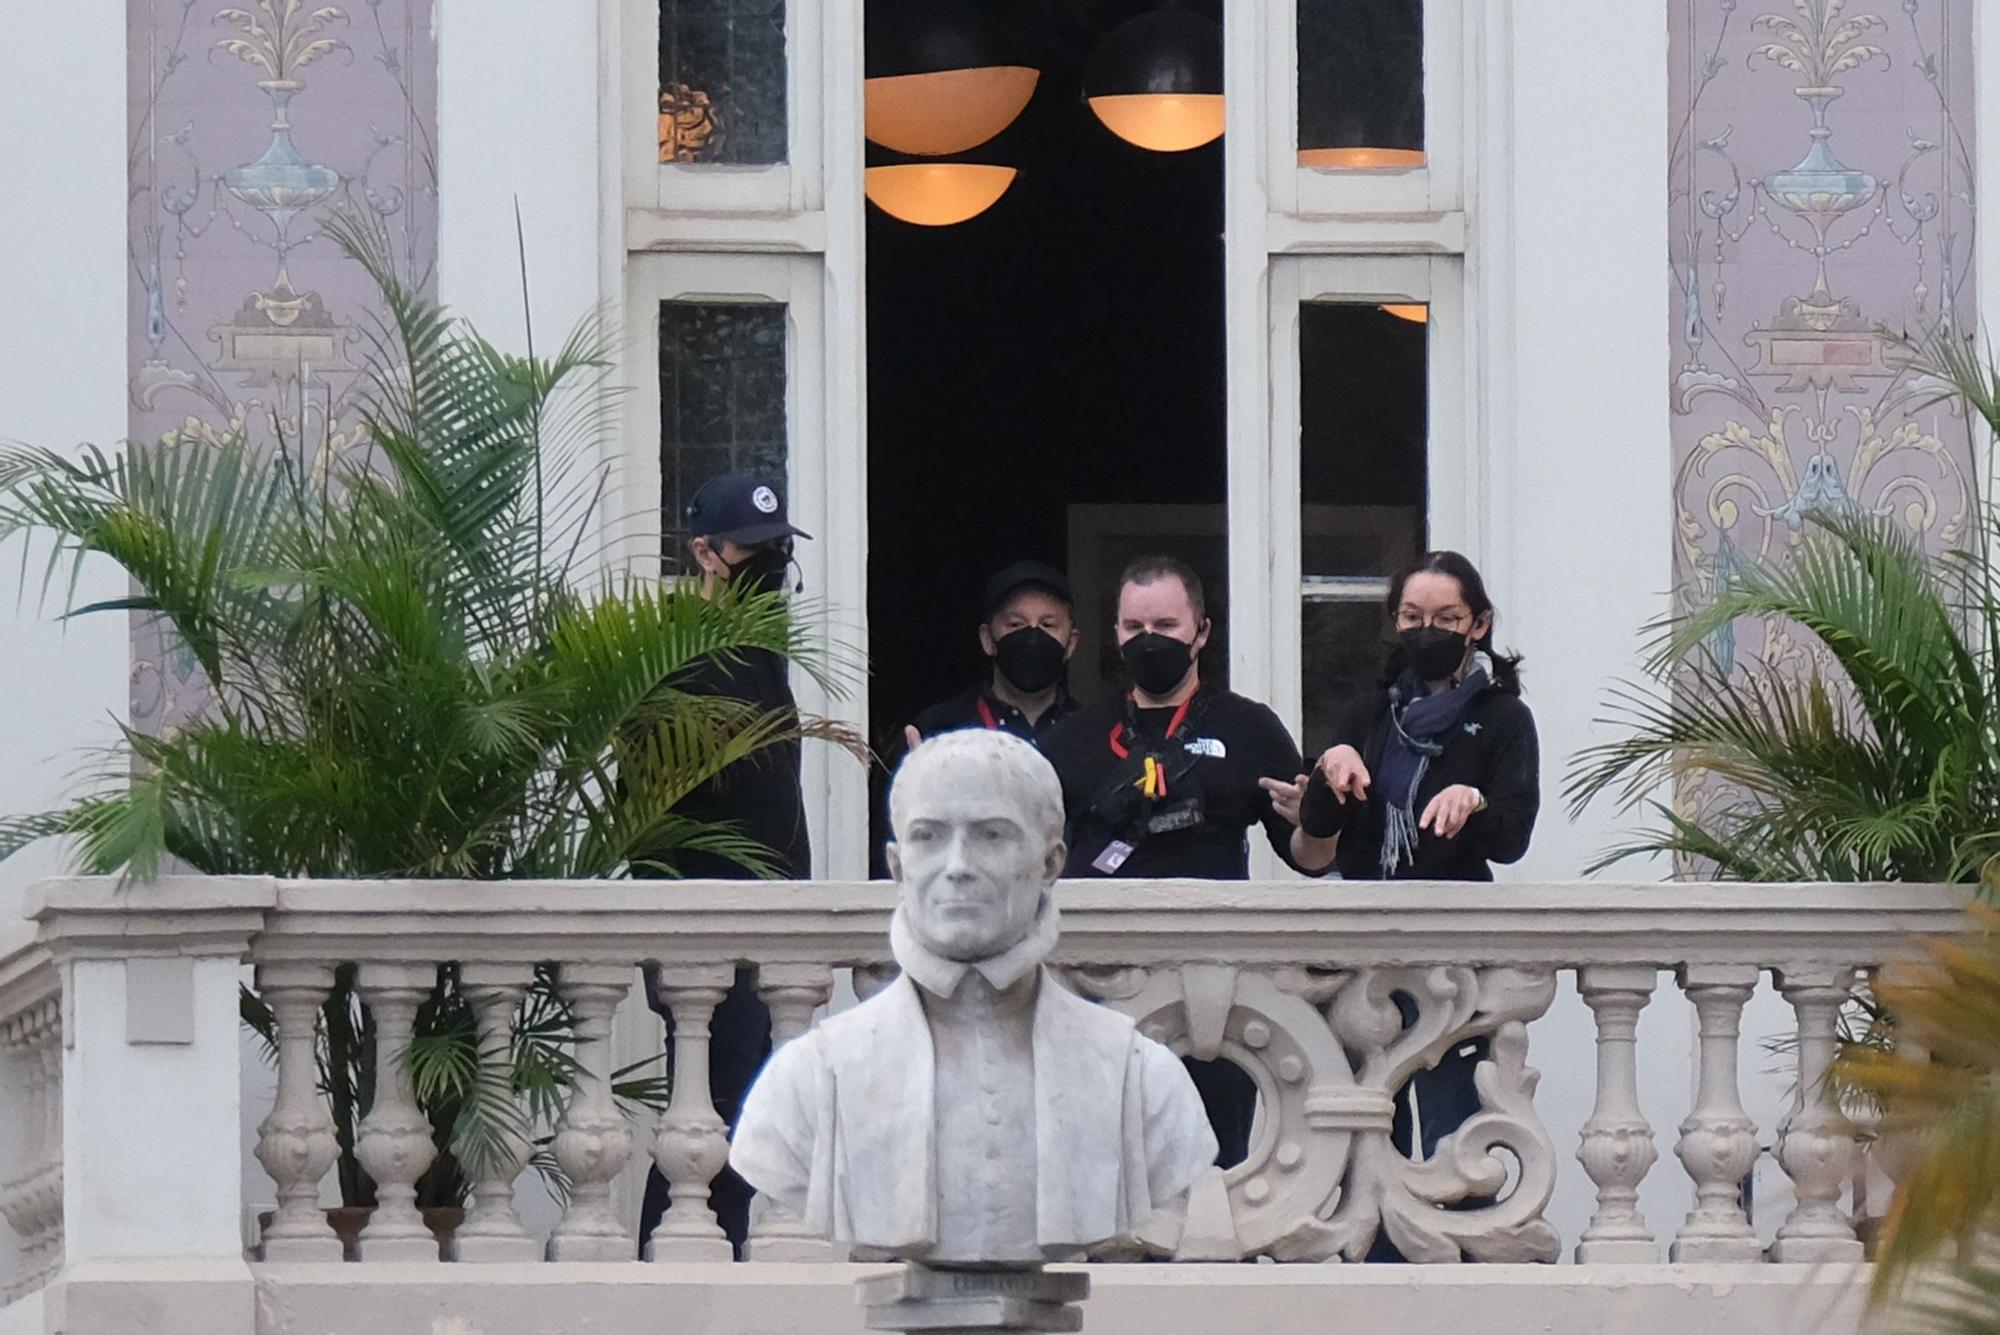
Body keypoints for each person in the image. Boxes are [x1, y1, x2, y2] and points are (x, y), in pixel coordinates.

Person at [730, 729, 1216, 1264]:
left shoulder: (1142, 1080)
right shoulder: (807, 1082)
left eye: (991, 835)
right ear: (896, 865)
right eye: (928, 836)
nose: (957, 865)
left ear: (1051, 864)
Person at [1037, 555, 1336, 1165]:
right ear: (1116, 634)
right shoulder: (1074, 735)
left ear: (1201, 632)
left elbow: (1308, 859)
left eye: (1167, 627)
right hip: (1099, 984)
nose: (1150, 642)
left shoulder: (1249, 727)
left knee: (1211, 1165)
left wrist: (1316, 818)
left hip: (1216, 989)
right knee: (1101, 1162)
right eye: (1134, 628)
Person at [1296, 549, 1539, 1260]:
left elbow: (1514, 836)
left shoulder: (1502, 718)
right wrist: (1328, 770)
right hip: (1365, 947)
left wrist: (1476, 801)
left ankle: (1458, 1271)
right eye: (1412, 617)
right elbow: (1317, 840)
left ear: (1479, 623)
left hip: (1452, 953)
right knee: (1360, 1117)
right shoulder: (1370, 709)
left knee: (1453, 1119)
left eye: (1445, 618)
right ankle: (1369, 1267)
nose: (1425, 630)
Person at [636, 471, 813, 1259]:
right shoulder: (675, 656)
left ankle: (728, 1261)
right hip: (702, 921)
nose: (770, 563)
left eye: (778, 549)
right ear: (705, 553)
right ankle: (668, 1266)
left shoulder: (764, 652)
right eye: (754, 548)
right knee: (707, 1111)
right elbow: (654, 801)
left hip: (771, 926)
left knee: (748, 1108)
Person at [904, 561, 1081, 746]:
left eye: (1048, 625)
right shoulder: (939, 730)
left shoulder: (1092, 733)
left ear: (1071, 643)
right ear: (987, 639)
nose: (1033, 636)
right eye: (1016, 624)